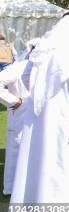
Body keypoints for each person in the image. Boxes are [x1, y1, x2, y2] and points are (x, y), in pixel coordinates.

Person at [8, 12, 69, 212]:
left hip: (37, 114)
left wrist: (38, 96)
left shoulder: (43, 47)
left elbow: (27, 77)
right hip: (64, 114)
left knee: (36, 159)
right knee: (63, 160)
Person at [0, 43, 34, 195]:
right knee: (16, 150)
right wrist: (13, 101)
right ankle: (11, 187)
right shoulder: (19, 67)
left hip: (38, 118)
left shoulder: (47, 67)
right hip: (20, 115)